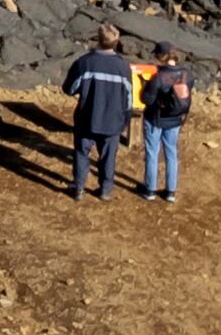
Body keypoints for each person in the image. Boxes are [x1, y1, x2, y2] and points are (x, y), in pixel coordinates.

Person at [62, 25, 138, 201]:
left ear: (98, 39)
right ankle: (105, 190)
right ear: (116, 42)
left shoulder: (85, 62)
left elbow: (70, 88)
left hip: (86, 118)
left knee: (81, 153)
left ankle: (79, 188)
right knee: (108, 157)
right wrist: (125, 120)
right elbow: (128, 98)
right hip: (112, 121)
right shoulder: (123, 66)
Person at [139, 52, 192, 202]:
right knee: (171, 153)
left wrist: (145, 86)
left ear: (161, 57)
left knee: (152, 152)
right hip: (175, 120)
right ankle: (170, 191)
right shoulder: (187, 75)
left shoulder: (159, 77)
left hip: (155, 119)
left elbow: (147, 99)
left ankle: (150, 190)